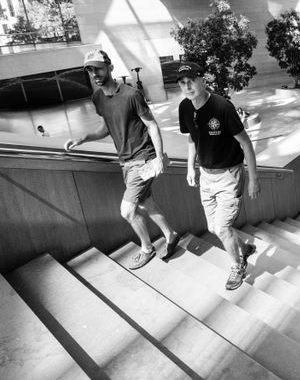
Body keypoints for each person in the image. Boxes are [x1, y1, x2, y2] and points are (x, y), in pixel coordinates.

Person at [64, 49, 180, 269]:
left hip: (143, 159)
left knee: (127, 210)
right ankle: (171, 234)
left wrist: (159, 157)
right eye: (90, 70)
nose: (94, 73)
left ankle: (147, 248)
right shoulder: (97, 97)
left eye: (98, 67)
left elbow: (152, 125)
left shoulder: (131, 95)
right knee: (145, 203)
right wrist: (84, 138)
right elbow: (107, 126)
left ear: (110, 67)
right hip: (125, 162)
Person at [176, 62, 261, 291]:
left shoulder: (222, 107)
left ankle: (237, 266)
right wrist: (189, 167)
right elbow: (192, 139)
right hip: (205, 176)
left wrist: (253, 178)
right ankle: (244, 248)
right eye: (183, 83)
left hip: (229, 176)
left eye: (191, 81)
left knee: (222, 228)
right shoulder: (184, 108)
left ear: (202, 80)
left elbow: (246, 143)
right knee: (214, 228)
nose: (187, 86)